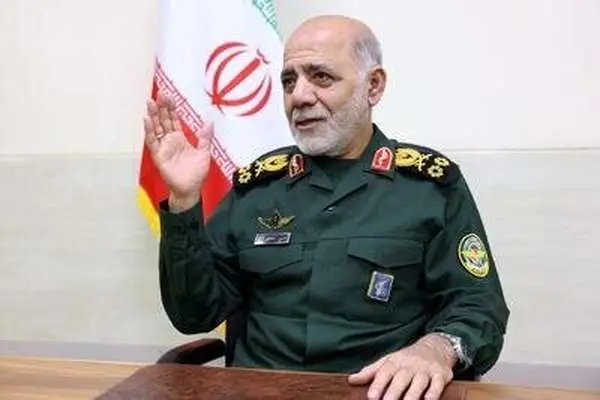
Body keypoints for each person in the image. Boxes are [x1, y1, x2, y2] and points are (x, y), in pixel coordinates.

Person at [143, 14, 509, 400]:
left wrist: (434, 350)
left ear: (373, 86)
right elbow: (193, 314)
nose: (299, 96)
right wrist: (184, 199)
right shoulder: (258, 189)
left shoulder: (428, 187)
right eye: (289, 81)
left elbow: (478, 306)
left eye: (321, 77)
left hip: (374, 393)